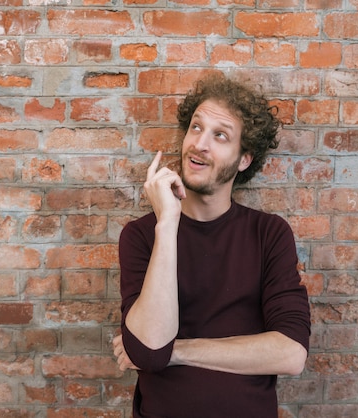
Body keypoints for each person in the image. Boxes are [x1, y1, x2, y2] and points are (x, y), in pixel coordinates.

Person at [112, 73, 311, 417]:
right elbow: (147, 349)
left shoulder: (269, 233)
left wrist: (174, 352)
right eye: (196, 128)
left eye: (220, 135)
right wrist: (168, 223)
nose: (200, 144)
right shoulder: (142, 235)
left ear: (244, 159)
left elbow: (291, 354)